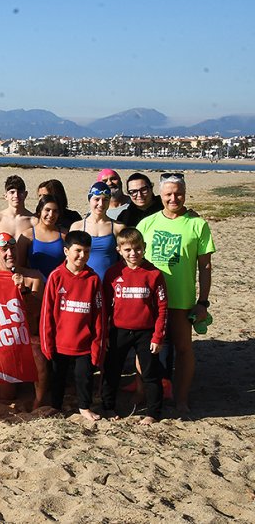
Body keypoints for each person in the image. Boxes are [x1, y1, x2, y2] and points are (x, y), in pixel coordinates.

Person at [137, 173, 215, 413]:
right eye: (169, 194)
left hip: (181, 300)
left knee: (183, 349)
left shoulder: (197, 224)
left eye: (178, 193)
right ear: (160, 195)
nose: (174, 198)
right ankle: (143, 398)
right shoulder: (147, 224)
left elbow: (205, 266)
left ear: (185, 193)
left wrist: (203, 302)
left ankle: (181, 399)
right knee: (145, 351)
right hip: (148, 300)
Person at [101, 228, 168, 424]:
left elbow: (162, 308)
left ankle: (153, 413)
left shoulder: (154, 274)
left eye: (137, 249)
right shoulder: (113, 273)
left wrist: (158, 337)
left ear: (144, 248)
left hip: (145, 332)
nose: (133, 254)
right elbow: (105, 306)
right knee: (112, 370)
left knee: (150, 373)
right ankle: (108, 407)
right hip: (119, 330)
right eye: (128, 249)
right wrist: (105, 334)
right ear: (119, 250)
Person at [39, 231, 107, 421]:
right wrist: (47, 343)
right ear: (66, 251)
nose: (82, 256)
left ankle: (84, 407)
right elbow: (47, 314)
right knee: (58, 377)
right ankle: (56, 406)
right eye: (77, 251)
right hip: (60, 342)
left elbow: (99, 316)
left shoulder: (93, 279)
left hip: (84, 344)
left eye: (86, 252)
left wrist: (97, 346)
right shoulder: (56, 277)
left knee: (84, 377)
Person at [0, 233, 48, 407]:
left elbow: (38, 312)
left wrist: (24, 292)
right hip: (4, 339)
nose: (9, 253)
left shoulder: (33, 277)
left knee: (39, 358)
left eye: (13, 249)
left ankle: (38, 403)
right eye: (4, 250)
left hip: (30, 337)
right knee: (6, 395)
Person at [69, 182, 125, 278]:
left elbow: (124, 259)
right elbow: (70, 259)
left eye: (105, 200)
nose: (101, 204)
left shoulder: (117, 227)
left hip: (111, 283)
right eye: (96, 199)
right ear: (89, 200)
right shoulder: (78, 227)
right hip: (85, 282)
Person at [16, 194, 67, 280]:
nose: (51, 214)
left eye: (55, 211)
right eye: (47, 210)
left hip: (59, 286)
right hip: (36, 289)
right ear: (40, 211)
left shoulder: (64, 235)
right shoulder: (27, 236)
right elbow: (19, 267)